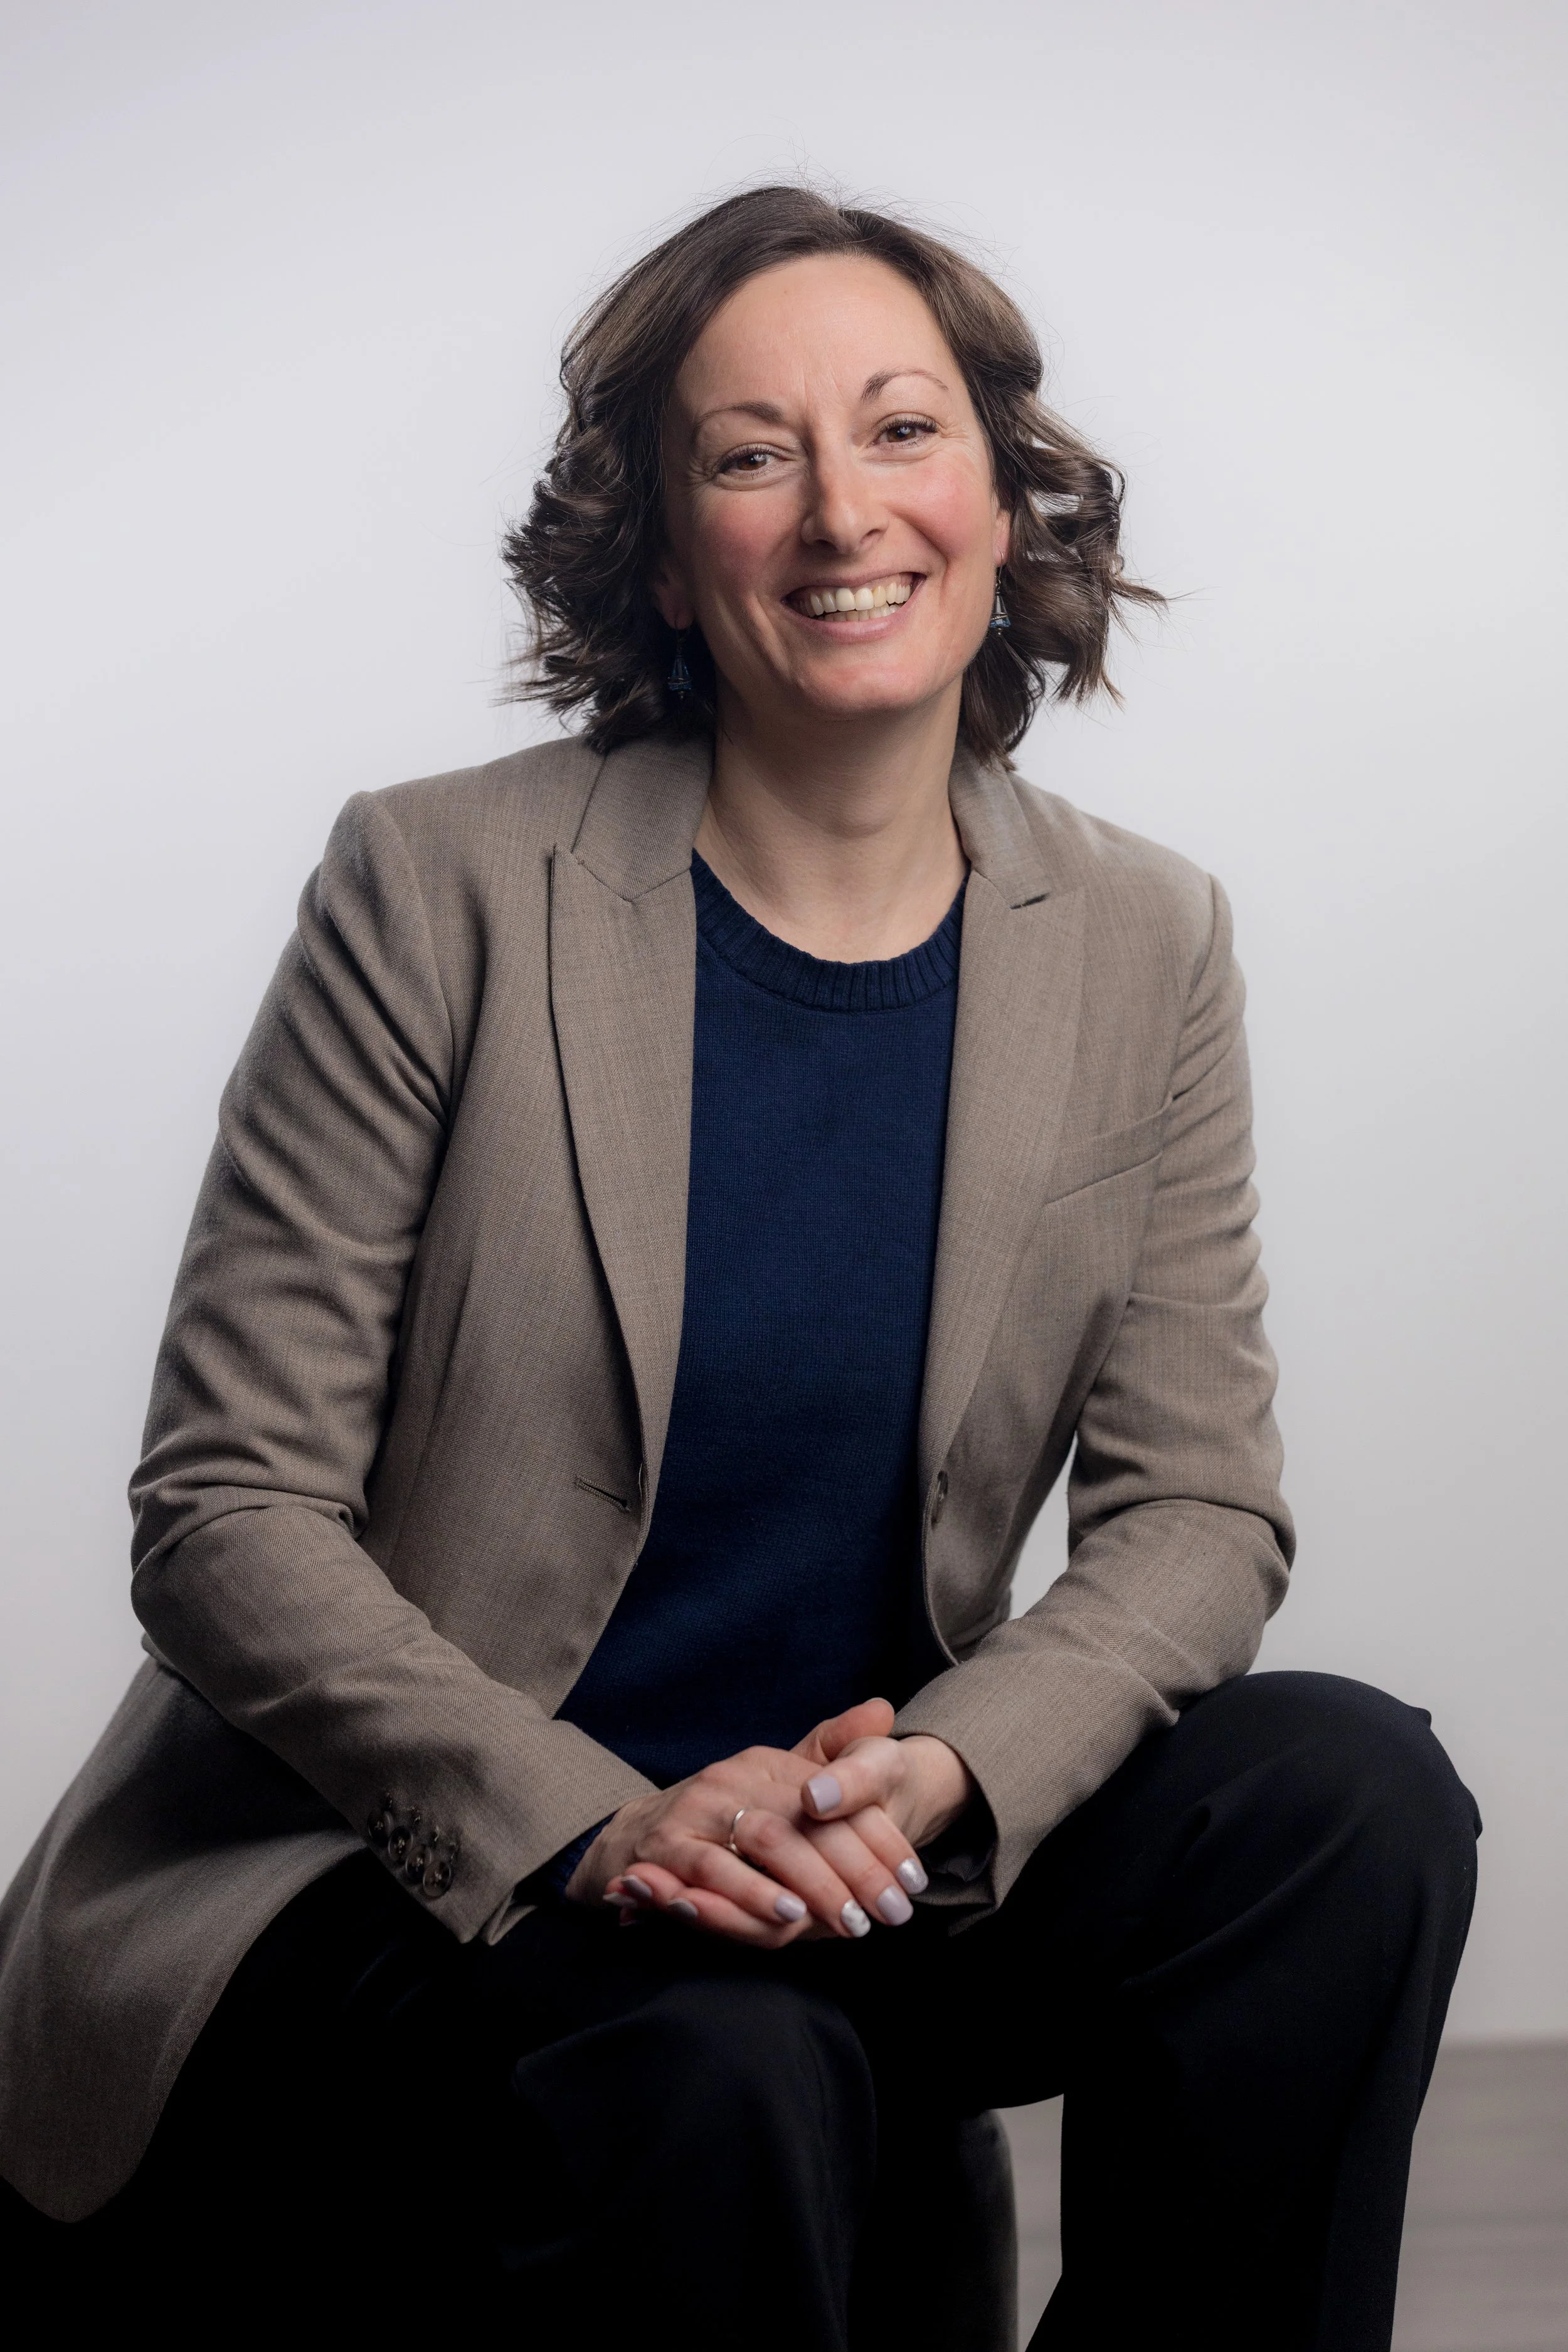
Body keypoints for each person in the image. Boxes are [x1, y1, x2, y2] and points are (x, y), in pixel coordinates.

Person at [0, 185, 1476, 2348]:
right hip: (437, 1872)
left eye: (897, 429)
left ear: (997, 494)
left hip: (850, 1851)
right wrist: (601, 1823)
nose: (836, 512)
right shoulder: (442, 886)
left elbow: (1197, 1510)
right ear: (668, 547)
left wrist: (953, 1762)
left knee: (1349, 1801)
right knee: (727, 2061)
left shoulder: (1144, 939)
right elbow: (226, 1512)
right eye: (748, 451)